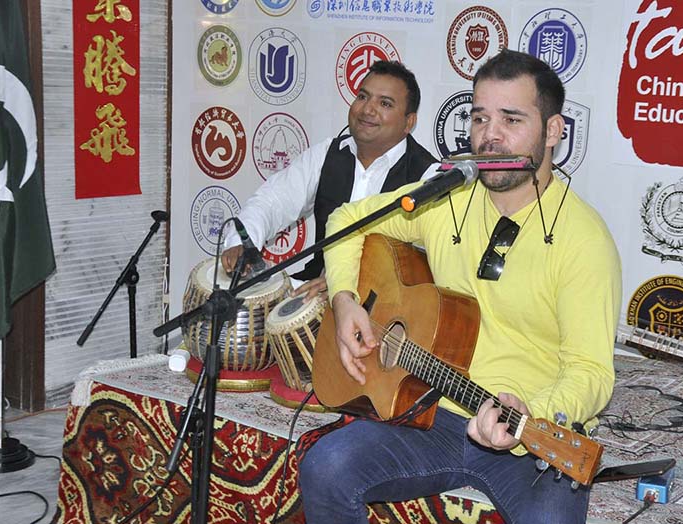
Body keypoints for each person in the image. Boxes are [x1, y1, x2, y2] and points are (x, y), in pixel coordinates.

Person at [298, 49, 622, 523]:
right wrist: (345, 300)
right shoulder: (449, 198)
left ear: (553, 131)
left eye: (511, 120)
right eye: (480, 118)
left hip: (530, 433)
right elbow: (350, 220)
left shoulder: (585, 241)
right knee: (325, 467)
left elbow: (592, 371)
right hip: (437, 410)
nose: (491, 135)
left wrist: (532, 413)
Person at [221, 60, 439, 298]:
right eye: (363, 97)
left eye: (385, 103)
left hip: (385, 312)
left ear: (409, 122)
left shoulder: (428, 177)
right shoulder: (327, 155)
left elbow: (429, 268)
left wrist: (343, 282)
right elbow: (272, 201)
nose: (367, 109)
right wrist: (242, 243)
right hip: (314, 295)